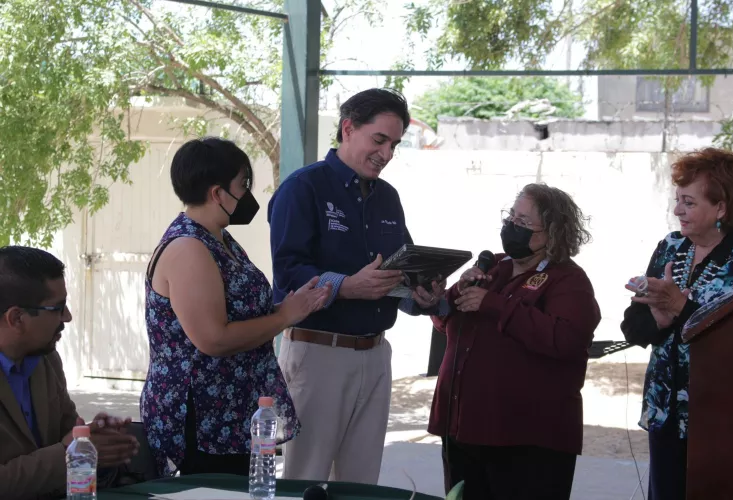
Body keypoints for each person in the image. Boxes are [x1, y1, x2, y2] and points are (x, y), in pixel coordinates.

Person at [267, 88, 447, 483]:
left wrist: (422, 295)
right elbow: (288, 272)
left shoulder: (388, 198)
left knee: (361, 485)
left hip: (377, 356)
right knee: (305, 482)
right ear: (348, 129)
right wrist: (346, 286)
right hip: (318, 354)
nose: (386, 154)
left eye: (394, 144)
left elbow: (399, 271)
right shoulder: (304, 188)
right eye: (379, 140)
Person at [140, 137, 331, 477]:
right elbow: (213, 338)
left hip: (233, 414)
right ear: (217, 193)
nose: (248, 195)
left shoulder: (219, 239)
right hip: (202, 420)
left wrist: (286, 306)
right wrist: (285, 316)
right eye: (243, 185)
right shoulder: (189, 247)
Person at [621, 148, 733, 500]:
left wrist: (682, 307)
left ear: (721, 208)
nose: (678, 210)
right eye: (678, 200)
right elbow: (632, 326)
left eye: (689, 202)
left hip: (722, 417)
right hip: (665, 410)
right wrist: (660, 321)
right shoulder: (670, 247)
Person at [428, 184, 601, 500]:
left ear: (551, 233)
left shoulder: (568, 280)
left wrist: (493, 304)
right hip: (463, 428)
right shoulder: (495, 266)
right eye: (511, 217)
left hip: (526, 438)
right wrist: (449, 297)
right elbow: (445, 326)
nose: (512, 226)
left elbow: (566, 340)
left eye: (523, 222)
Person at [0, 246, 139, 500]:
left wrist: (95, 439)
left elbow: (67, 435)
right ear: (17, 318)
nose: (68, 316)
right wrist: (70, 453)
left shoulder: (46, 360)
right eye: (58, 308)